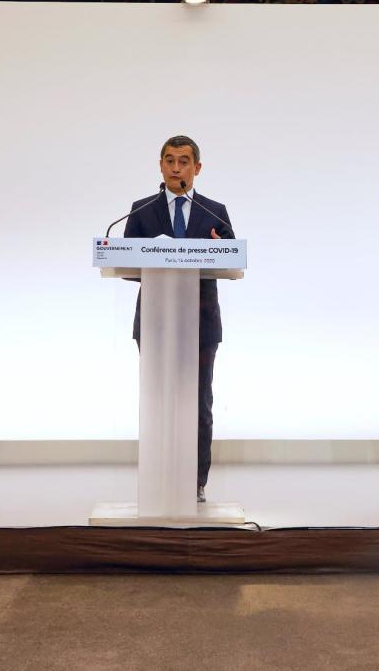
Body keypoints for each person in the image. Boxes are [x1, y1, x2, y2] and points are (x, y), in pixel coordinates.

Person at [124, 135, 233, 503]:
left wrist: (219, 252)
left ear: (196, 168)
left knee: (199, 401)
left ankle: (196, 481)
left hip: (201, 322)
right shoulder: (140, 211)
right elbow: (125, 264)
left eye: (183, 161)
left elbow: (231, 258)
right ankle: (158, 474)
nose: (176, 168)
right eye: (169, 160)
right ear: (160, 165)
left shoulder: (215, 211)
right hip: (155, 321)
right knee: (157, 399)